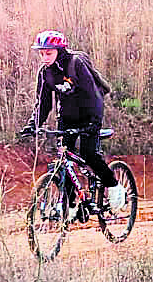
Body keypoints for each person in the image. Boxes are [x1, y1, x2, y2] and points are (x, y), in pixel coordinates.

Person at [22, 29, 126, 214]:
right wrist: (33, 124)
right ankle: (68, 205)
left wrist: (94, 122)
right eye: (42, 53)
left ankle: (114, 187)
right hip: (66, 118)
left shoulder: (75, 64)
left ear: (59, 51)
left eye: (49, 53)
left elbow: (93, 95)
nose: (45, 57)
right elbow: (43, 103)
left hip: (89, 115)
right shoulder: (45, 73)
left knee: (89, 154)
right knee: (64, 158)